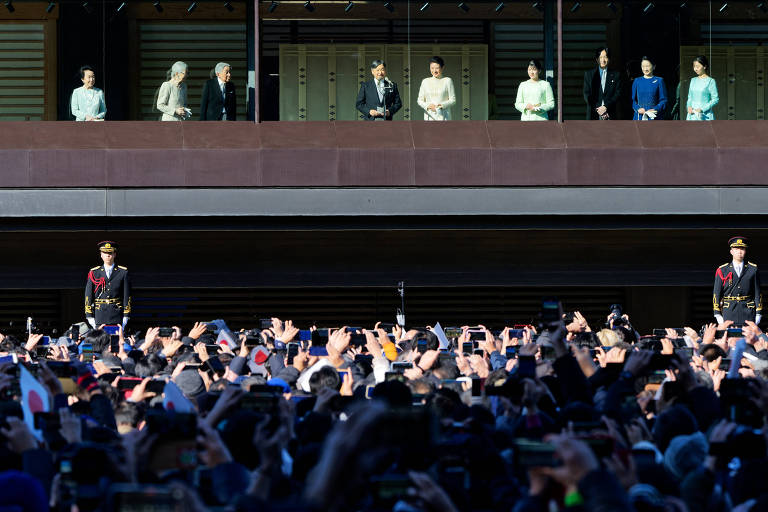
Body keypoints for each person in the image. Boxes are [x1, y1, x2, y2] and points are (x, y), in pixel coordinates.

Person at [713, 236, 762, 325]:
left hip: (748, 311)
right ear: (731, 251)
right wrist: (717, 314)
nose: (739, 252)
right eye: (736, 249)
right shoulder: (722, 270)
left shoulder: (753, 269)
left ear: (745, 251)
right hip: (729, 311)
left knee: (748, 338)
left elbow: (757, 293)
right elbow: (716, 293)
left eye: (742, 249)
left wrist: (758, 313)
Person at [85, 241, 131, 328]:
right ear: (101, 255)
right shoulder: (94, 272)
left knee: (116, 340)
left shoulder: (123, 272)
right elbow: (88, 295)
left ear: (114, 254)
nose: (108, 255)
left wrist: (126, 315)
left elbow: (127, 295)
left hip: (116, 314)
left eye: (110, 253)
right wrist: (89, 315)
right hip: (99, 315)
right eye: (105, 253)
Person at [582, 47, 622, 120]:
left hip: (610, 114)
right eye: (600, 57)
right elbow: (586, 94)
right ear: (597, 59)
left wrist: (606, 107)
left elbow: (618, 93)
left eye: (605, 57)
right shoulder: (589, 75)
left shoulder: (616, 75)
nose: (603, 60)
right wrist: (598, 109)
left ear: (609, 59)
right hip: (593, 114)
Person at [416, 56, 456, 121]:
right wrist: (428, 106)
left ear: (442, 68)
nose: (434, 71)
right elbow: (420, 100)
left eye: (437, 68)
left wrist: (442, 105)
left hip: (444, 117)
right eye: (432, 68)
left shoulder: (447, 81)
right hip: (429, 118)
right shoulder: (425, 81)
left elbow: (453, 100)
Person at [631, 56, 667, 120]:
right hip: (640, 117)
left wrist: (655, 109)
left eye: (647, 66)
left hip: (654, 116)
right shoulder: (637, 81)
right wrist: (638, 109)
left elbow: (663, 100)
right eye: (643, 66)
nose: (645, 69)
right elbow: (633, 100)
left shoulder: (659, 81)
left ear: (654, 67)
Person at [686, 55, 719, 121]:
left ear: (704, 66)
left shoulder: (710, 81)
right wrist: (688, 107)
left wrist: (702, 109)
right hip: (692, 116)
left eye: (697, 66)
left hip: (705, 115)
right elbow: (690, 97)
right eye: (694, 66)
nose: (695, 69)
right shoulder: (693, 80)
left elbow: (715, 99)